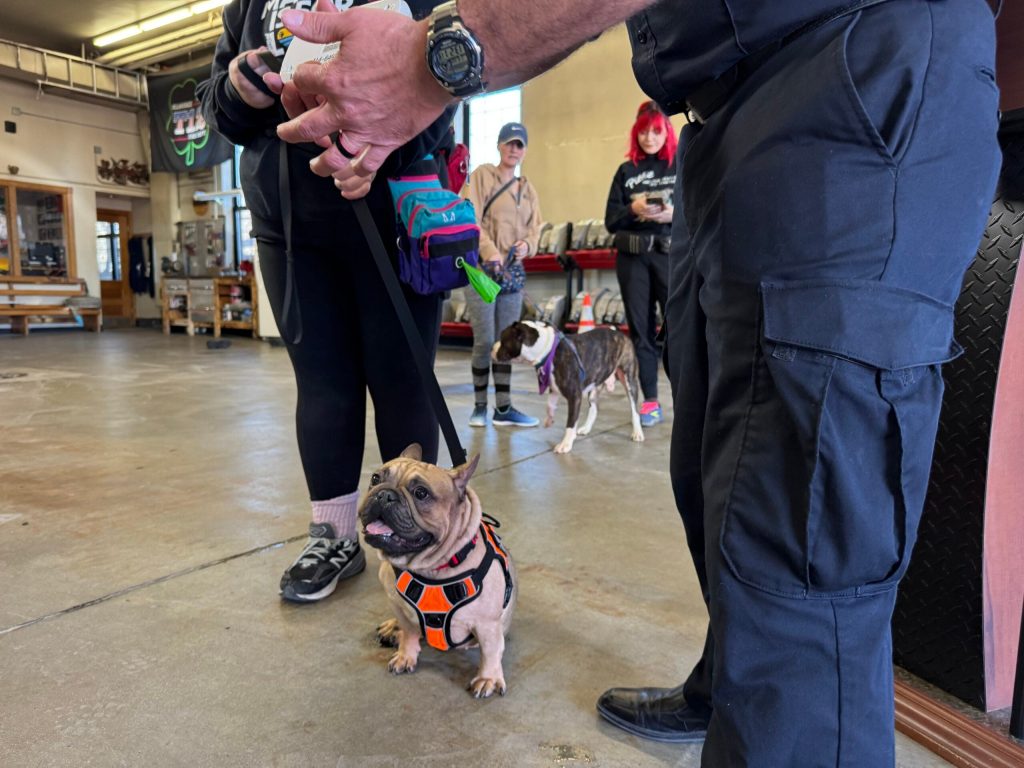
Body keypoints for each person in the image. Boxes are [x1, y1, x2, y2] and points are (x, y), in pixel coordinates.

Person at [265, 0, 1002, 763]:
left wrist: (440, 55)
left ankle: (776, 726)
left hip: (848, 79)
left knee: (802, 549)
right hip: (726, 120)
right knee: (719, 478)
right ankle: (727, 691)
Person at [197, 0, 454, 604]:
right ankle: (335, 538)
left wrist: (389, 126)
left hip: (399, 215)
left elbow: (454, 75)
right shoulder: (249, 5)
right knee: (322, 384)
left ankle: (418, 542)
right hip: (291, 230)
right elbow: (217, 109)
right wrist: (239, 90)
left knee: (404, 384)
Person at [462, 122, 543, 428]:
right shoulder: (482, 176)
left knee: (505, 340)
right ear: (499, 145)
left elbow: (536, 229)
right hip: (483, 270)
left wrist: (528, 245)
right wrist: (488, 250)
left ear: (524, 150)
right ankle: (480, 406)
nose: (513, 149)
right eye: (509, 143)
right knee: (484, 341)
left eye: (519, 144)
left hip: (511, 275)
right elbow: (470, 215)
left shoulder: (527, 188)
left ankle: (504, 408)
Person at [604, 101, 677, 427]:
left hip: (670, 256)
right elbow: (610, 220)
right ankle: (650, 400)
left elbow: (700, 209)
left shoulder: (679, 165)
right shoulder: (626, 171)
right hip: (633, 259)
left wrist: (673, 213)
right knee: (642, 332)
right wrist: (633, 208)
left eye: (656, 131)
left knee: (679, 328)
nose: (650, 138)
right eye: (644, 132)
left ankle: (688, 399)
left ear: (666, 132)